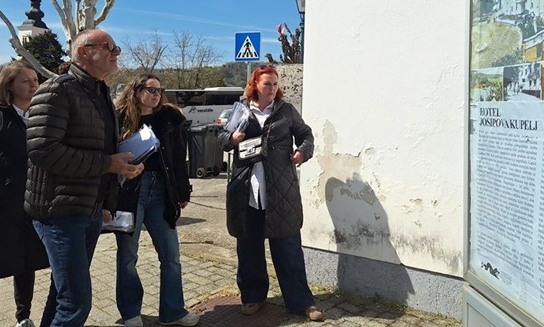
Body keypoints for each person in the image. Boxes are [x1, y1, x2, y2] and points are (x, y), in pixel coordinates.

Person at [25, 29, 144, 326]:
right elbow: (43, 151)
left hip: (89, 209)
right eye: (109, 47)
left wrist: (108, 196)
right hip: (59, 213)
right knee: (76, 302)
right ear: (83, 52)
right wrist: (107, 164)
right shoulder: (57, 90)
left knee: (62, 295)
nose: (117, 52)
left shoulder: (99, 91)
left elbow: (101, 148)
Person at [217, 65, 323, 322]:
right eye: (267, 84)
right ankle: (253, 297)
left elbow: (306, 135)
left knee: (288, 250)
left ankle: (301, 302)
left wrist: (302, 152)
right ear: (255, 84)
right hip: (247, 190)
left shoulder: (286, 111)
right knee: (249, 249)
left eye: (275, 84)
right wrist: (232, 138)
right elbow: (221, 138)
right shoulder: (242, 110)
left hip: (281, 190)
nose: (272, 88)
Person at [110, 74, 199, 327]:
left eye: (159, 90)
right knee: (128, 256)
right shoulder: (119, 118)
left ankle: (173, 312)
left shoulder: (168, 118)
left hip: (162, 191)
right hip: (130, 192)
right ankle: (131, 314)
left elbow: (178, 157)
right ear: (136, 91)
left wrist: (182, 192)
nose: (156, 95)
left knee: (171, 255)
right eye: (151, 90)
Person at [0, 60, 50, 327]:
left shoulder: (42, 116)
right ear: (9, 86)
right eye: (26, 81)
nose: (34, 85)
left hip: (30, 203)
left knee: (26, 262)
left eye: (35, 80)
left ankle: (23, 317)